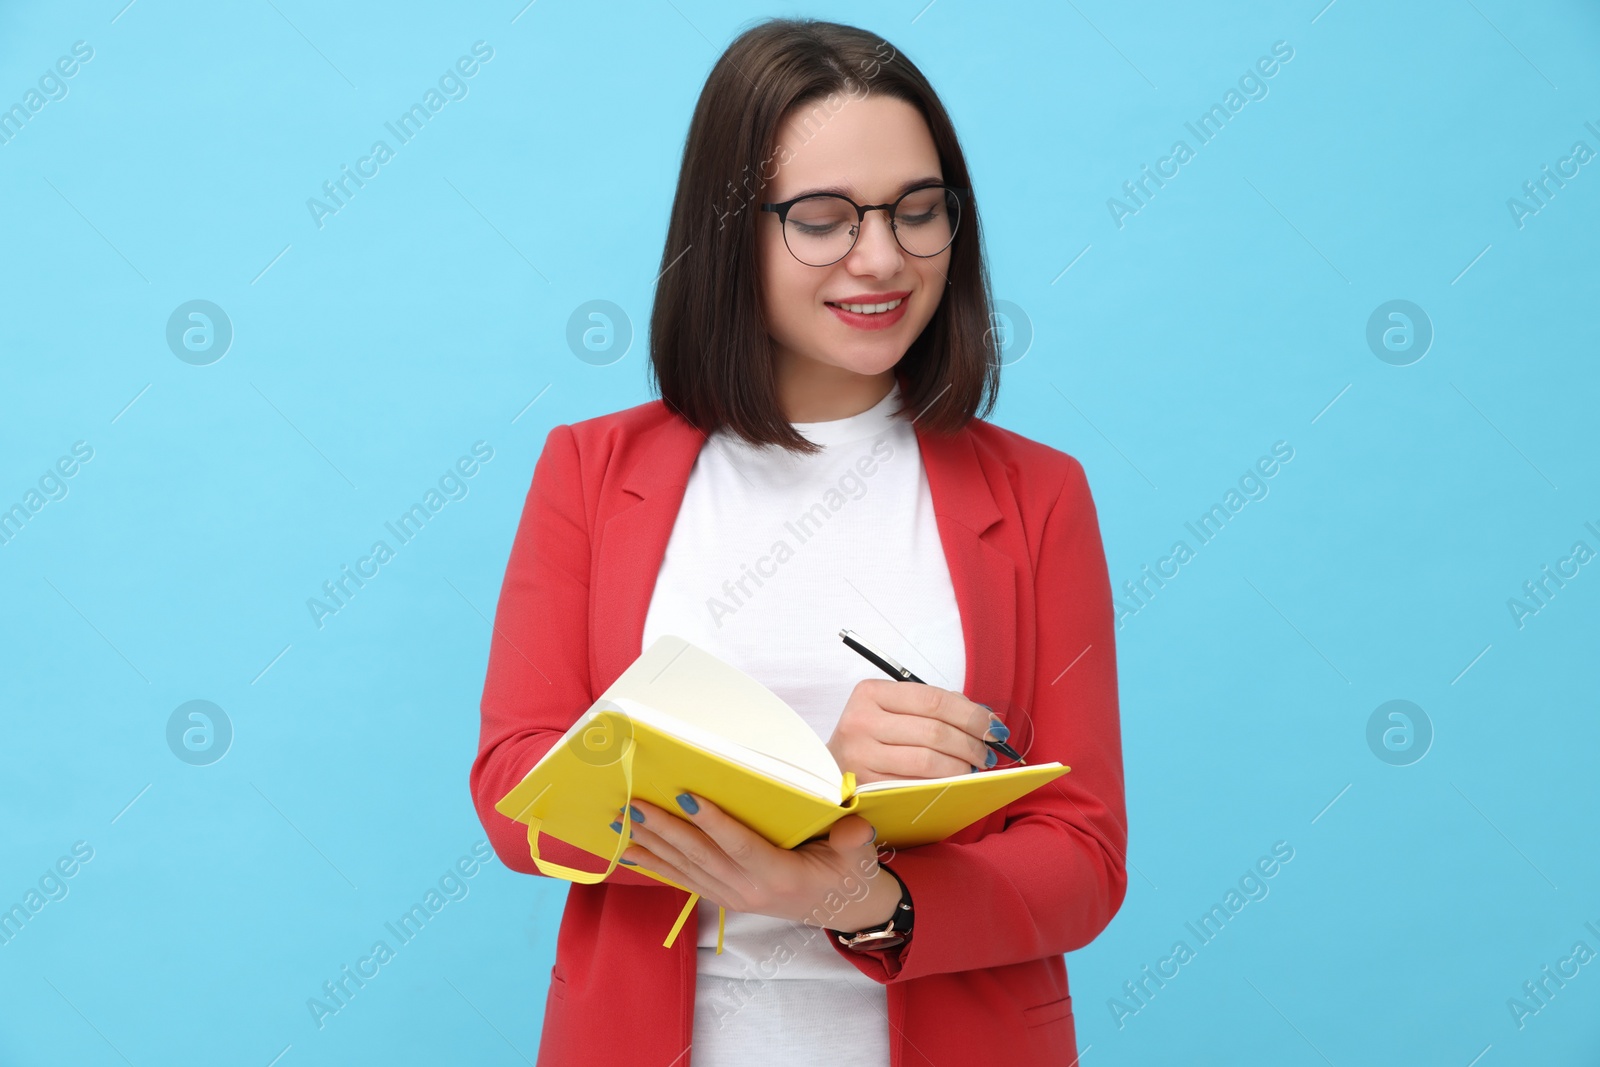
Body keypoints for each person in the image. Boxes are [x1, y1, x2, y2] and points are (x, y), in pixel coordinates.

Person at [469, 17, 1127, 1066]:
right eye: (823, 219)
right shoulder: (593, 472)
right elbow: (520, 792)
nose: (884, 257)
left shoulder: (1040, 493)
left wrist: (863, 895)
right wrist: (804, 792)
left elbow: (1084, 855)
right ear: (729, 227)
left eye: (919, 211)